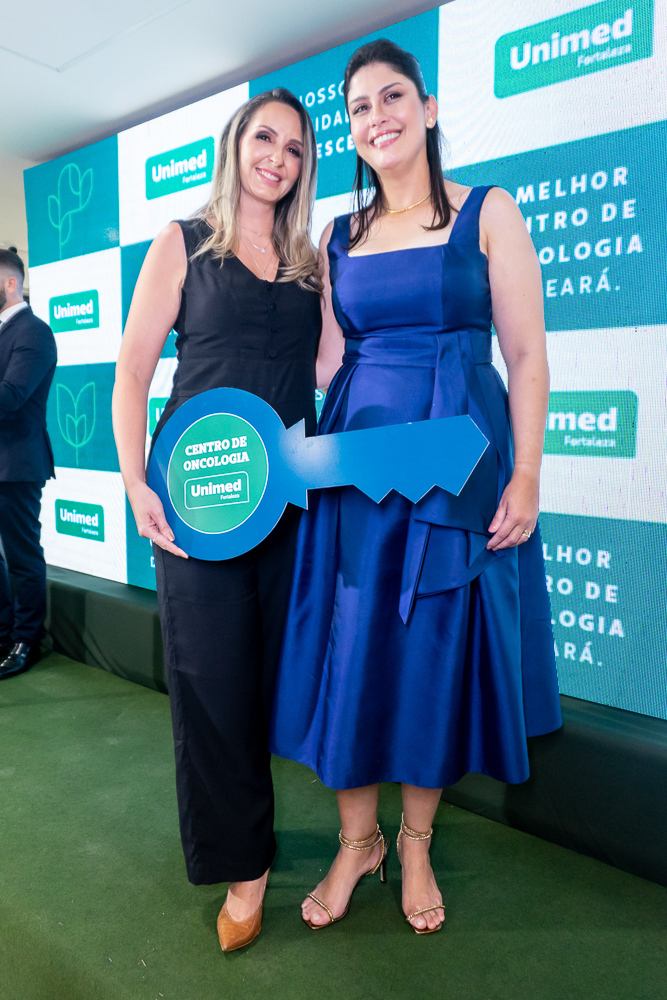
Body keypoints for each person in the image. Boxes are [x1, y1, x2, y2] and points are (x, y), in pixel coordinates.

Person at [270, 39, 562, 935]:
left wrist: (523, 472)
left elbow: (523, 353)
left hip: (456, 473)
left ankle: (416, 840)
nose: (376, 117)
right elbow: (325, 362)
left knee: (431, 647)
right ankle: (356, 843)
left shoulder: (488, 211)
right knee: (351, 650)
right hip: (355, 473)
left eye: (390, 97)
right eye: (358, 108)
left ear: (428, 108)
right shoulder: (336, 237)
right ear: (349, 131)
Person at [112, 89, 322, 952]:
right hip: (197, 506)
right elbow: (129, 376)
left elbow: (339, 368)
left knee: (278, 679)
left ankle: (354, 837)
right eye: (264, 137)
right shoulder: (182, 244)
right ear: (236, 144)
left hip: (290, 504)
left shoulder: (313, 264)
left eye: (295, 148)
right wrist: (133, 482)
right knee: (210, 681)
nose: (277, 155)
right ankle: (246, 867)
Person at [0, 249, 57, 680]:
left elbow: (12, 397)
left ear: (10, 283)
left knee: (22, 556)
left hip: (17, 464)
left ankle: (27, 639)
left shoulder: (34, 332)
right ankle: (3, 634)